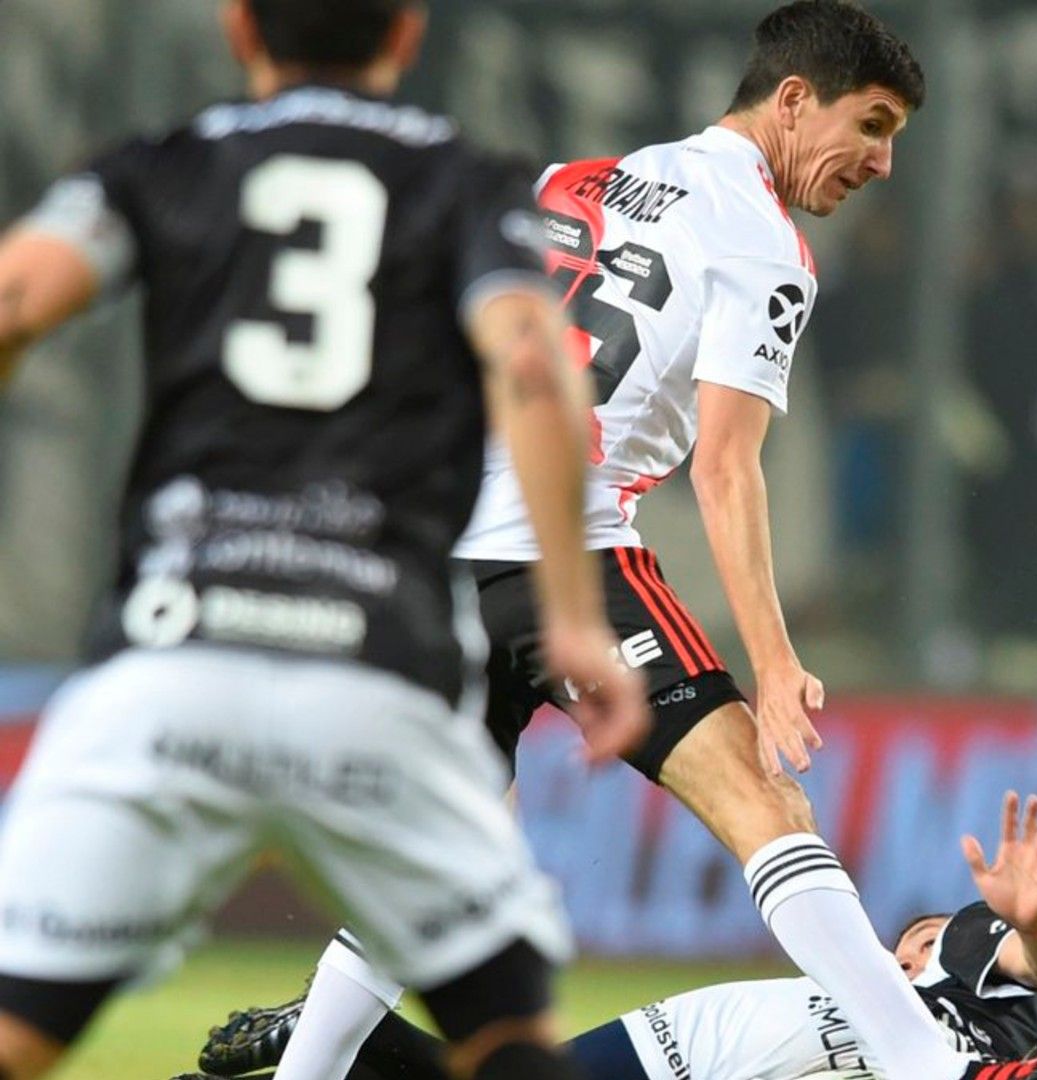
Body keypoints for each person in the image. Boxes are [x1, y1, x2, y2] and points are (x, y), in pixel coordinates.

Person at [199, 5, 1037, 1080]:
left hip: (433, 555)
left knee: (440, 868)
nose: (878, 163)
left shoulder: (569, 183)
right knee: (767, 807)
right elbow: (725, 467)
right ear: (791, 100)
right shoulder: (765, 249)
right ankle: (937, 1070)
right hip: (564, 555)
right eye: (870, 126)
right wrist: (774, 663)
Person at [0, 0, 652, 1076]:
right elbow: (533, 366)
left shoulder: (161, 167)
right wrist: (576, 624)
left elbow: (18, 295)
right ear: (406, 33)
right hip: (375, 670)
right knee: (507, 1039)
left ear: (239, 27)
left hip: (176, 655)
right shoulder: (468, 182)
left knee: (20, 1030)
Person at [179, 794, 1037, 1080]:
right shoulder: (974, 956)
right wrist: (1035, 925)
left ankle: (337, 1030)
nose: (903, 951)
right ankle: (345, 1027)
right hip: (737, 1035)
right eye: (906, 942)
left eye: (910, 945)